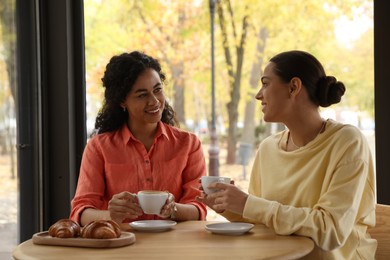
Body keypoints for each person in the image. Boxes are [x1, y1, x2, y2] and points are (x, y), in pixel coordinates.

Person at [197, 50, 376, 259]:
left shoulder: (346, 142)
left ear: (293, 87)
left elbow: (330, 231)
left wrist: (248, 204)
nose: (258, 95)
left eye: (265, 83)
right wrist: (228, 205)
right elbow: (262, 220)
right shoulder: (267, 148)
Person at [70, 51, 207, 229]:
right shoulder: (98, 148)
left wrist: (173, 209)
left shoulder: (189, 144)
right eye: (142, 95)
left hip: (174, 248)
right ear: (122, 101)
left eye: (157, 90)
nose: (154, 101)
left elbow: (199, 209)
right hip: (120, 247)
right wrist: (112, 214)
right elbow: (80, 212)